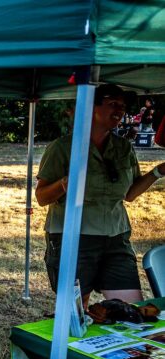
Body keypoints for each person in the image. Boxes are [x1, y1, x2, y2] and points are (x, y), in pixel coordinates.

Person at [35, 83, 165, 304]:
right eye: (112, 104)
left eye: (122, 106)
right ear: (90, 108)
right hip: (74, 238)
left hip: (116, 238)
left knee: (131, 310)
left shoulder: (123, 147)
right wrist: (65, 183)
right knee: (76, 315)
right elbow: (41, 197)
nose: (119, 111)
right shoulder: (62, 148)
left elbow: (130, 194)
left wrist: (158, 171)